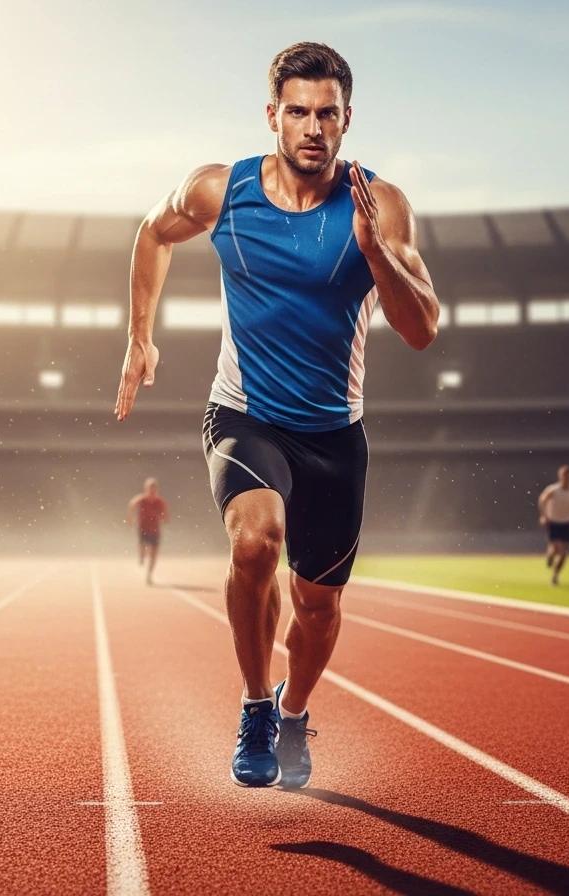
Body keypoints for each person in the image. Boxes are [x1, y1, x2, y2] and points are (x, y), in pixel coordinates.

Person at [114, 43, 439, 788]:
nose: (313, 127)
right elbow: (153, 233)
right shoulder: (219, 191)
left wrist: (376, 255)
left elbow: (422, 329)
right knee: (255, 543)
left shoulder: (380, 205)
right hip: (246, 415)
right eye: (298, 112)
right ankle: (257, 705)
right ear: (273, 116)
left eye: (328, 113)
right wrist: (140, 336)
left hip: (334, 433)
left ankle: (294, 711)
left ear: (347, 119)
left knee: (317, 608)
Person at [538, 465, 569, 586]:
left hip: (566, 522)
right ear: (560, 477)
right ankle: (550, 555)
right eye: (564, 476)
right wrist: (543, 516)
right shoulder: (553, 490)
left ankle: (555, 575)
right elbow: (542, 500)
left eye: (568, 476)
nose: (566, 478)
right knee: (556, 548)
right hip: (553, 521)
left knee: (565, 551)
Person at [126, 478, 169, 585]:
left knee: (154, 554)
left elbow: (165, 514)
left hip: (155, 530)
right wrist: (131, 518)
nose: (152, 490)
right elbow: (131, 504)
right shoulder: (141, 499)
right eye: (150, 488)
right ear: (146, 488)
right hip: (143, 529)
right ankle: (142, 556)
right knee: (143, 547)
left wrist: (164, 518)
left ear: (157, 489)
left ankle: (149, 575)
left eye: (154, 488)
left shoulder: (160, 501)